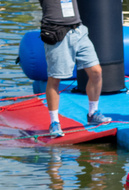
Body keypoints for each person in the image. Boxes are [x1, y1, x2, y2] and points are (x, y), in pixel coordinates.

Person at [38, 0, 111, 138]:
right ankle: (54, 122)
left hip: (78, 30)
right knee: (55, 77)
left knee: (96, 71)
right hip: (56, 31)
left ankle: (92, 113)